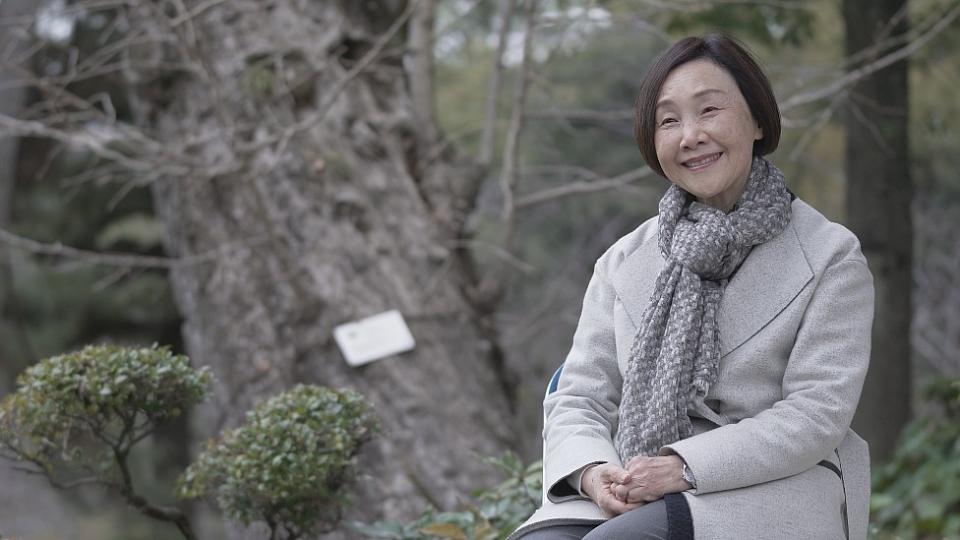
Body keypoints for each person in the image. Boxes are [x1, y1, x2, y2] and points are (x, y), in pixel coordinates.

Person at [509, 33, 874, 540]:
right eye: (669, 120)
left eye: (709, 111)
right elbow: (579, 397)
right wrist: (594, 473)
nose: (690, 136)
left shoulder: (830, 255)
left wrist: (683, 466)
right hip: (629, 484)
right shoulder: (623, 261)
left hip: (773, 485)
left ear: (759, 120)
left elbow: (817, 413)